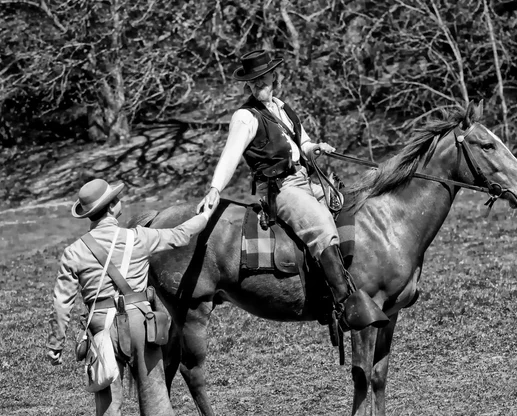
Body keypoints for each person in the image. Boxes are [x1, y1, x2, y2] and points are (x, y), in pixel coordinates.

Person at [196, 49, 388, 331]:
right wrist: (215, 187)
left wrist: (315, 148)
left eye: (262, 79)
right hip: (280, 188)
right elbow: (230, 155)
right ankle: (343, 305)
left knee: (348, 204)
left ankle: (359, 278)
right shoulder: (245, 117)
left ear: (274, 76)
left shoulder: (284, 109)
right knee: (321, 226)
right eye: (253, 82)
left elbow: (303, 145)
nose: (258, 86)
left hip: (305, 178)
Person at [46, 178, 215, 416]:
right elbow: (180, 235)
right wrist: (205, 216)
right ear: (114, 206)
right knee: (156, 403)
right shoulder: (138, 237)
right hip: (140, 323)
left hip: (100, 327)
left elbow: (61, 303)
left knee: (108, 408)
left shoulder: (74, 252)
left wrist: (56, 344)